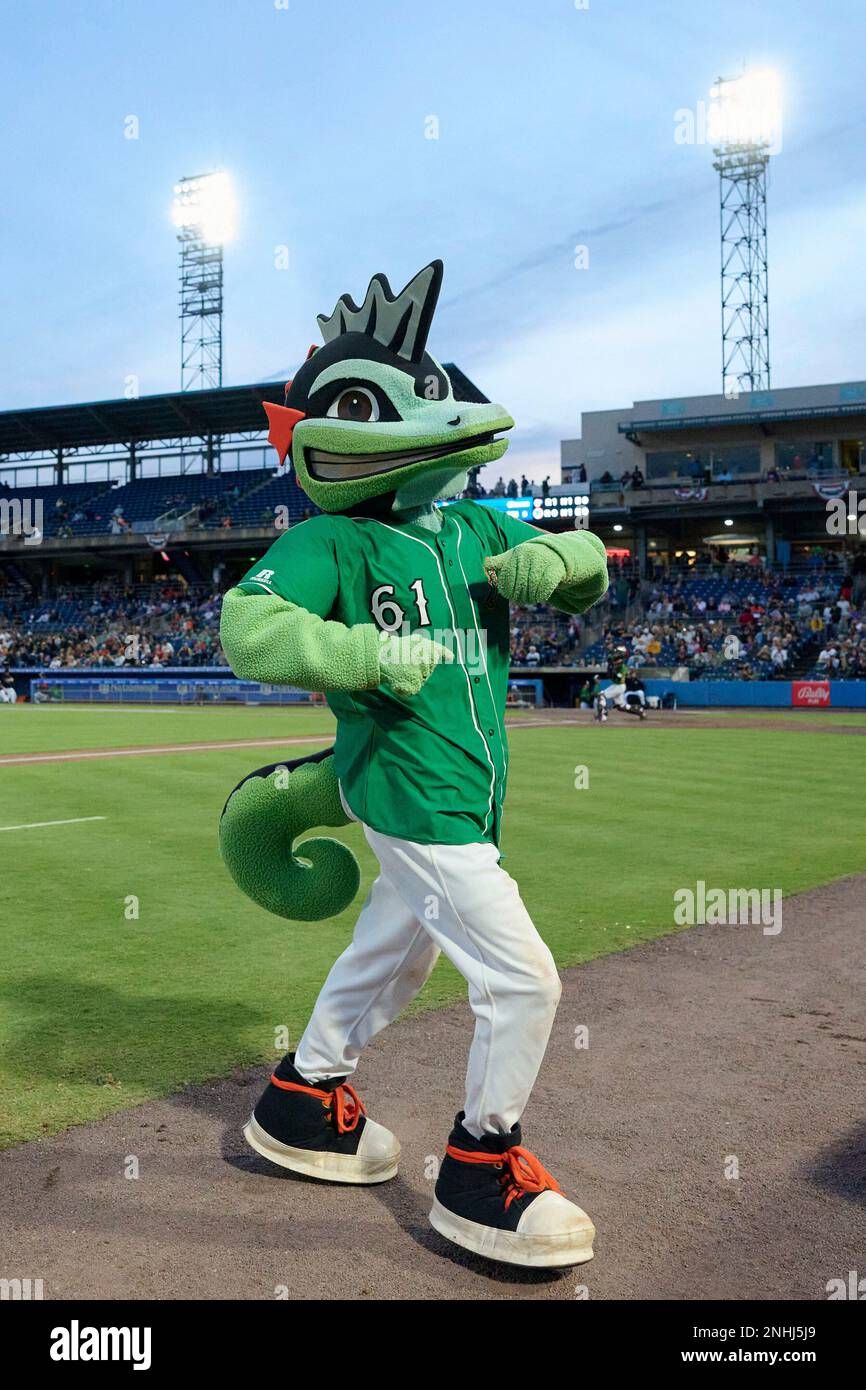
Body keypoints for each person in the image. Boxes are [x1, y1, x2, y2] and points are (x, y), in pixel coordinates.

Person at [219, 259, 609, 1270]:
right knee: (523, 983)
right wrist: (360, 654)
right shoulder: (336, 538)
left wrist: (554, 567)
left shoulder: (474, 523)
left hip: (463, 797)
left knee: (398, 950)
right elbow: (249, 624)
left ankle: (303, 1097)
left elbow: (588, 558)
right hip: (406, 791)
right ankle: (482, 1168)